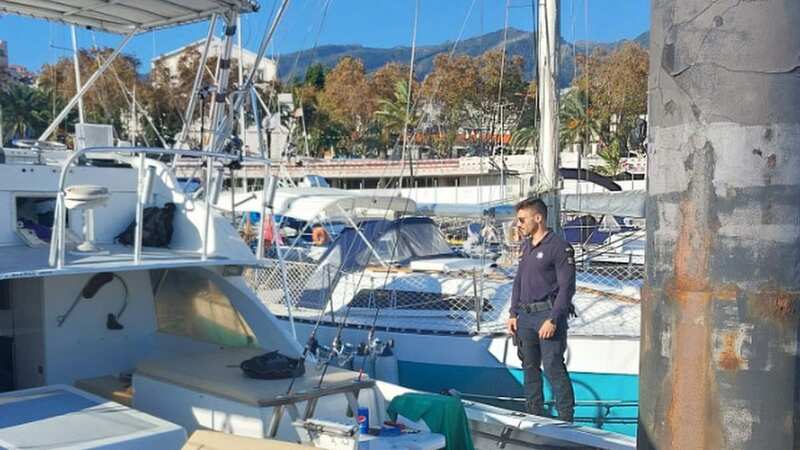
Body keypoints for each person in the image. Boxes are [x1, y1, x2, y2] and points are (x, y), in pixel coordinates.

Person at [507, 197, 576, 422]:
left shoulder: (559, 247)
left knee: (553, 367)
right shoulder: (527, 246)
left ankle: (566, 419)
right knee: (529, 366)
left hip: (546, 315)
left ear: (538, 218)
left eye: (522, 220)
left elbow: (567, 287)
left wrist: (554, 319)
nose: (519, 224)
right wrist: (512, 313)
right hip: (525, 316)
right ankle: (534, 414)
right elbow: (519, 281)